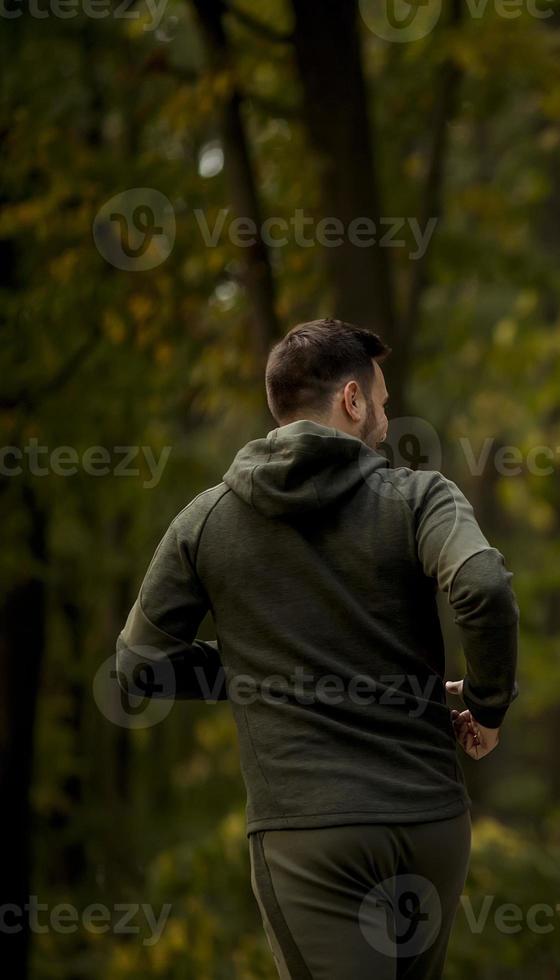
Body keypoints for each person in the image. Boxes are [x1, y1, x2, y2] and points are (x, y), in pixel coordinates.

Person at [114, 318, 517, 979]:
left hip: (309, 833)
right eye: (382, 404)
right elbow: (483, 586)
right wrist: (489, 705)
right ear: (351, 400)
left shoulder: (207, 519)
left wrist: (260, 672)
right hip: (429, 824)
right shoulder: (420, 498)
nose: (386, 422)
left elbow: (138, 667)